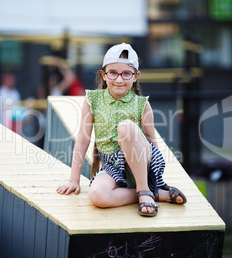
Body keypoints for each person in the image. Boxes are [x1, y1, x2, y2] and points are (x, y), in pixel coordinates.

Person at [56, 43, 186, 217]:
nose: (119, 79)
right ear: (103, 74)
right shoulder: (92, 100)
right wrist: (74, 179)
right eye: (113, 72)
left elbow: (153, 142)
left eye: (126, 73)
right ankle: (151, 194)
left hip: (142, 162)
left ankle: (144, 188)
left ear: (135, 77)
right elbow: (82, 140)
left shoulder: (142, 104)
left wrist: (157, 177)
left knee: (125, 127)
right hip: (113, 167)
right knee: (96, 195)